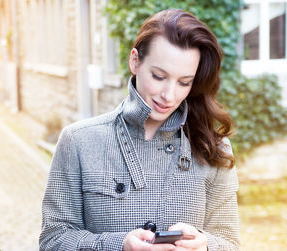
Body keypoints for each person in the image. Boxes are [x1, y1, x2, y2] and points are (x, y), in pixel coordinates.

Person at [39, 9, 240, 251]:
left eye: (184, 82)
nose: (169, 95)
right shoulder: (78, 141)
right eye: (158, 76)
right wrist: (118, 245)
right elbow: (54, 239)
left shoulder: (212, 148)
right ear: (135, 61)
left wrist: (206, 245)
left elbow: (230, 242)